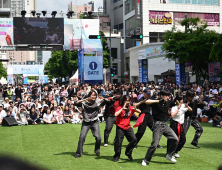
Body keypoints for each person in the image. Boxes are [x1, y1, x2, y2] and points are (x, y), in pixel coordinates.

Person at [142, 90, 179, 166]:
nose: (168, 97)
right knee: (155, 144)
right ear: (161, 95)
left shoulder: (169, 102)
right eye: (166, 96)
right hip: (157, 125)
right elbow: (147, 101)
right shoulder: (155, 102)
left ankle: (169, 155)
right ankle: (146, 160)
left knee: (175, 139)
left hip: (165, 125)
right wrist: (158, 100)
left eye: (169, 96)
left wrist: (178, 104)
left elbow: (176, 103)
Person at [74, 90, 107, 158]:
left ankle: (97, 150)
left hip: (94, 121)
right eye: (92, 95)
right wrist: (85, 99)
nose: (93, 96)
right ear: (89, 95)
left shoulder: (97, 102)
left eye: (95, 95)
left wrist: (103, 98)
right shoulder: (84, 102)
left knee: (98, 138)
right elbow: (75, 103)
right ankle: (78, 153)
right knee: (82, 137)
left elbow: (107, 101)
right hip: (86, 122)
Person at [113, 95, 140, 162]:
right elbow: (115, 114)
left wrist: (135, 108)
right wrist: (123, 108)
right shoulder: (120, 107)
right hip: (120, 126)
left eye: (129, 101)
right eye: (126, 100)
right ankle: (117, 156)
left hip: (128, 126)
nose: (128, 102)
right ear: (123, 101)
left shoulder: (130, 107)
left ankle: (128, 152)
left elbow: (139, 111)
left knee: (134, 140)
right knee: (118, 142)